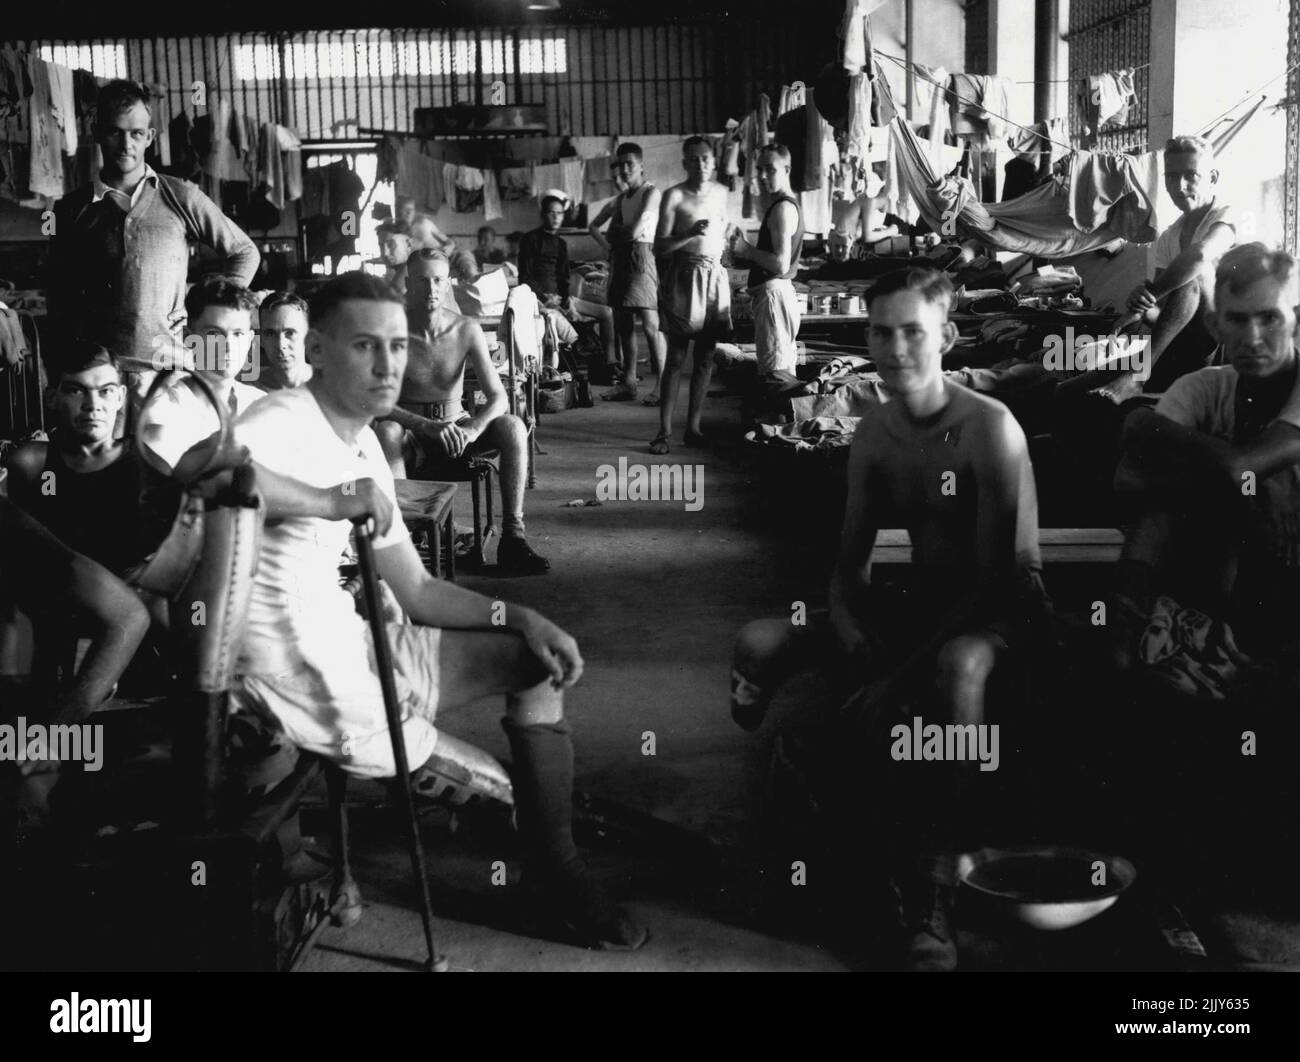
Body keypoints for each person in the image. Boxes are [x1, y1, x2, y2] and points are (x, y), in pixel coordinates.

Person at [231, 272, 642, 949]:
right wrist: (334, 502)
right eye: (365, 345)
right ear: (320, 351)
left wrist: (521, 617)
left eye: (397, 345)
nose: (388, 364)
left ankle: (556, 872)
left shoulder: (363, 439)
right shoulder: (277, 422)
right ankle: (559, 881)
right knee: (499, 792)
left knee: (530, 661)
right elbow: (224, 474)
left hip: (355, 644)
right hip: (289, 677)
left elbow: (418, 590)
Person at [729, 267, 1050, 971]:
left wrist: (889, 680)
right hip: (925, 603)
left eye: (913, 332)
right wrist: (845, 614)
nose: (895, 348)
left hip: (1002, 612)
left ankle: (939, 889)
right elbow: (851, 558)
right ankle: (802, 841)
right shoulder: (876, 429)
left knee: (954, 670)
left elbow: (995, 581)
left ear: (947, 336)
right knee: (759, 642)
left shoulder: (989, 429)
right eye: (882, 332)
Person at [1109, 242, 1300, 696]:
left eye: (1269, 317)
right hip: (1236, 565)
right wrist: (1254, 490)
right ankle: (1121, 643)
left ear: (1296, 318)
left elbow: (1240, 468)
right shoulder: (1201, 388)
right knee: (1159, 515)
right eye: (1237, 319)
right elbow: (1127, 480)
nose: (1253, 337)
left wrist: (1145, 423)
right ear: (1215, 324)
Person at [48, 80, 259, 401]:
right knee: (107, 452)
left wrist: (209, 307)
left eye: (135, 133)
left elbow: (244, 251)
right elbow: (60, 297)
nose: (125, 144)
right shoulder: (72, 209)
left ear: (149, 136)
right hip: (101, 375)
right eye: (114, 132)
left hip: (171, 370)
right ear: (97, 133)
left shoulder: (180, 195)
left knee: (170, 449)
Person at [373, 250, 551, 575]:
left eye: (439, 280)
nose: (431, 290)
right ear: (409, 285)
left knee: (511, 426)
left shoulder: (466, 329)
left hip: (457, 433)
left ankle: (513, 538)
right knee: (386, 430)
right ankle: (407, 542)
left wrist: (473, 429)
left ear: (448, 284)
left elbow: (498, 397)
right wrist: (426, 426)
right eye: (423, 281)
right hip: (411, 439)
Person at [1080, 135, 1239, 405]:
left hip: (1227, 347)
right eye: (1171, 176)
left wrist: (1151, 292)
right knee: (1070, 391)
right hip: (1183, 349)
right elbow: (1163, 315)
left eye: (1191, 175)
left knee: (1193, 277)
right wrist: (1140, 307)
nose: (1180, 185)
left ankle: (1137, 378)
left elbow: (1200, 256)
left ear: (1212, 177)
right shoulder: (1169, 236)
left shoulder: (1228, 216)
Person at [650, 136, 733, 454]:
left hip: (714, 276)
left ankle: (693, 428)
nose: (701, 165)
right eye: (694, 159)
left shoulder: (722, 193)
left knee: (706, 357)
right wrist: (687, 234)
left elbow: (723, 233)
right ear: (685, 163)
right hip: (683, 278)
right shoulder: (673, 196)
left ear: (714, 162)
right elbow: (659, 247)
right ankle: (663, 431)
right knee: (676, 358)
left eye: (706, 159)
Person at [588, 142, 667, 404]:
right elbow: (595, 227)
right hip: (621, 257)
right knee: (622, 324)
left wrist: (617, 233)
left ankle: (663, 386)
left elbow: (634, 232)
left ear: (641, 166)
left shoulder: (651, 193)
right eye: (620, 164)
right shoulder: (621, 199)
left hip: (642, 256)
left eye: (629, 163)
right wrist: (609, 246)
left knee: (650, 324)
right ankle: (628, 382)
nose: (624, 169)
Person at [730, 142, 805, 393]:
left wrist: (746, 249)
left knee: (776, 372)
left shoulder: (783, 208)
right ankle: (782, 424)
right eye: (759, 169)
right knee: (779, 366)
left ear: (787, 169)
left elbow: (780, 263)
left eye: (770, 169)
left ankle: (779, 427)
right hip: (776, 293)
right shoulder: (782, 205)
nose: (762, 176)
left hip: (774, 295)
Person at [183, 279, 268, 418]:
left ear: (249, 339)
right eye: (214, 333)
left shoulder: (260, 404)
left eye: (238, 334)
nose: (228, 346)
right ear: (189, 338)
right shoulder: (166, 412)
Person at [256, 291, 313, 391]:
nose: (281, 345)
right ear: (261, 339)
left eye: (290, 333)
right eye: (270, 334)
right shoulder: (247, 391)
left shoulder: (332, 384)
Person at [377, 221, 414, 296]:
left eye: (390, 244)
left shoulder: (412, 272)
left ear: (409, 245)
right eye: (381, 246)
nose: (385, 253)